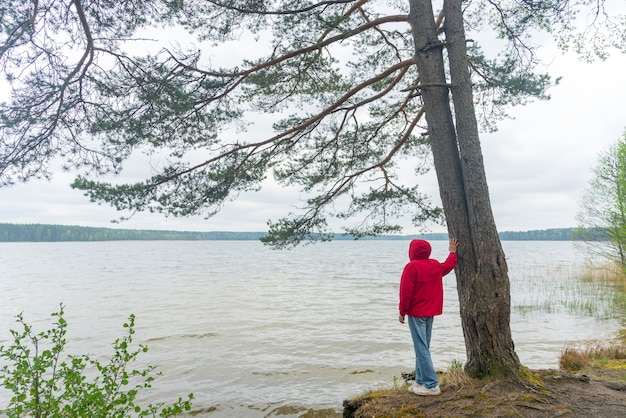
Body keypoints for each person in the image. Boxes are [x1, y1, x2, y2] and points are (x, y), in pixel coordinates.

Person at [398, 237, 459, 396]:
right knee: (423, 347)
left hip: (416, 313)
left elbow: (406, 292)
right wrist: (452, 252)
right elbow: (448, 265)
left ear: (411, 252)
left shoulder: (411, 267)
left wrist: (402, 311)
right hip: (430, 313)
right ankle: (420, 381)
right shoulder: (434, 265)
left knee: (421, 348)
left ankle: (431, 385)